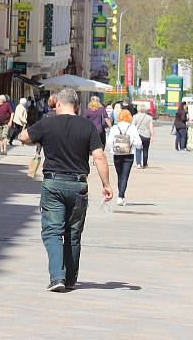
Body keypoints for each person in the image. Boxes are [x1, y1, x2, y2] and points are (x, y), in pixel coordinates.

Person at [18, 88, 113, 292]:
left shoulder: (48, 123)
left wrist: (38, 137)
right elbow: (99, 157)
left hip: (53, 184)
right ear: (77, 106)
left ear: (58, 104)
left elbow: (23, 137)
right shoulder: (88, 126)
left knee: (52, 231)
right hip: (79, 184)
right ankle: (70, 279)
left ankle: (57, 277)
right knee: (73, 233)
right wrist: (106, 185)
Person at [105, 109, 142, 206]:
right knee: (125, 176)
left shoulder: (114, 128)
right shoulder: (132, 128)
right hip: (128, 154)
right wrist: (132, 144)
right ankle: (121, 197)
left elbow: (109, 142)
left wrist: (113, 148)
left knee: (120, 175)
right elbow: (138, 143)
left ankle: (121, 195)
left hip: (117, 154)